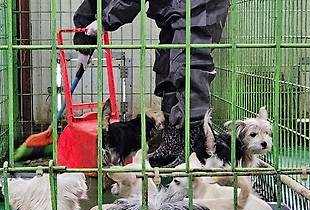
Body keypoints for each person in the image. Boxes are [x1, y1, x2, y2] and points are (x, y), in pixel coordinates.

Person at [73, 0, 230, 167]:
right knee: (167, 65)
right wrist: (84, 43)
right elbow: (94, 4)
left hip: (196, 7)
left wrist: (105, 21)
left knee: (189, 65)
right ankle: (173, 144)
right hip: (173, 10)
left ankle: (195, 150)